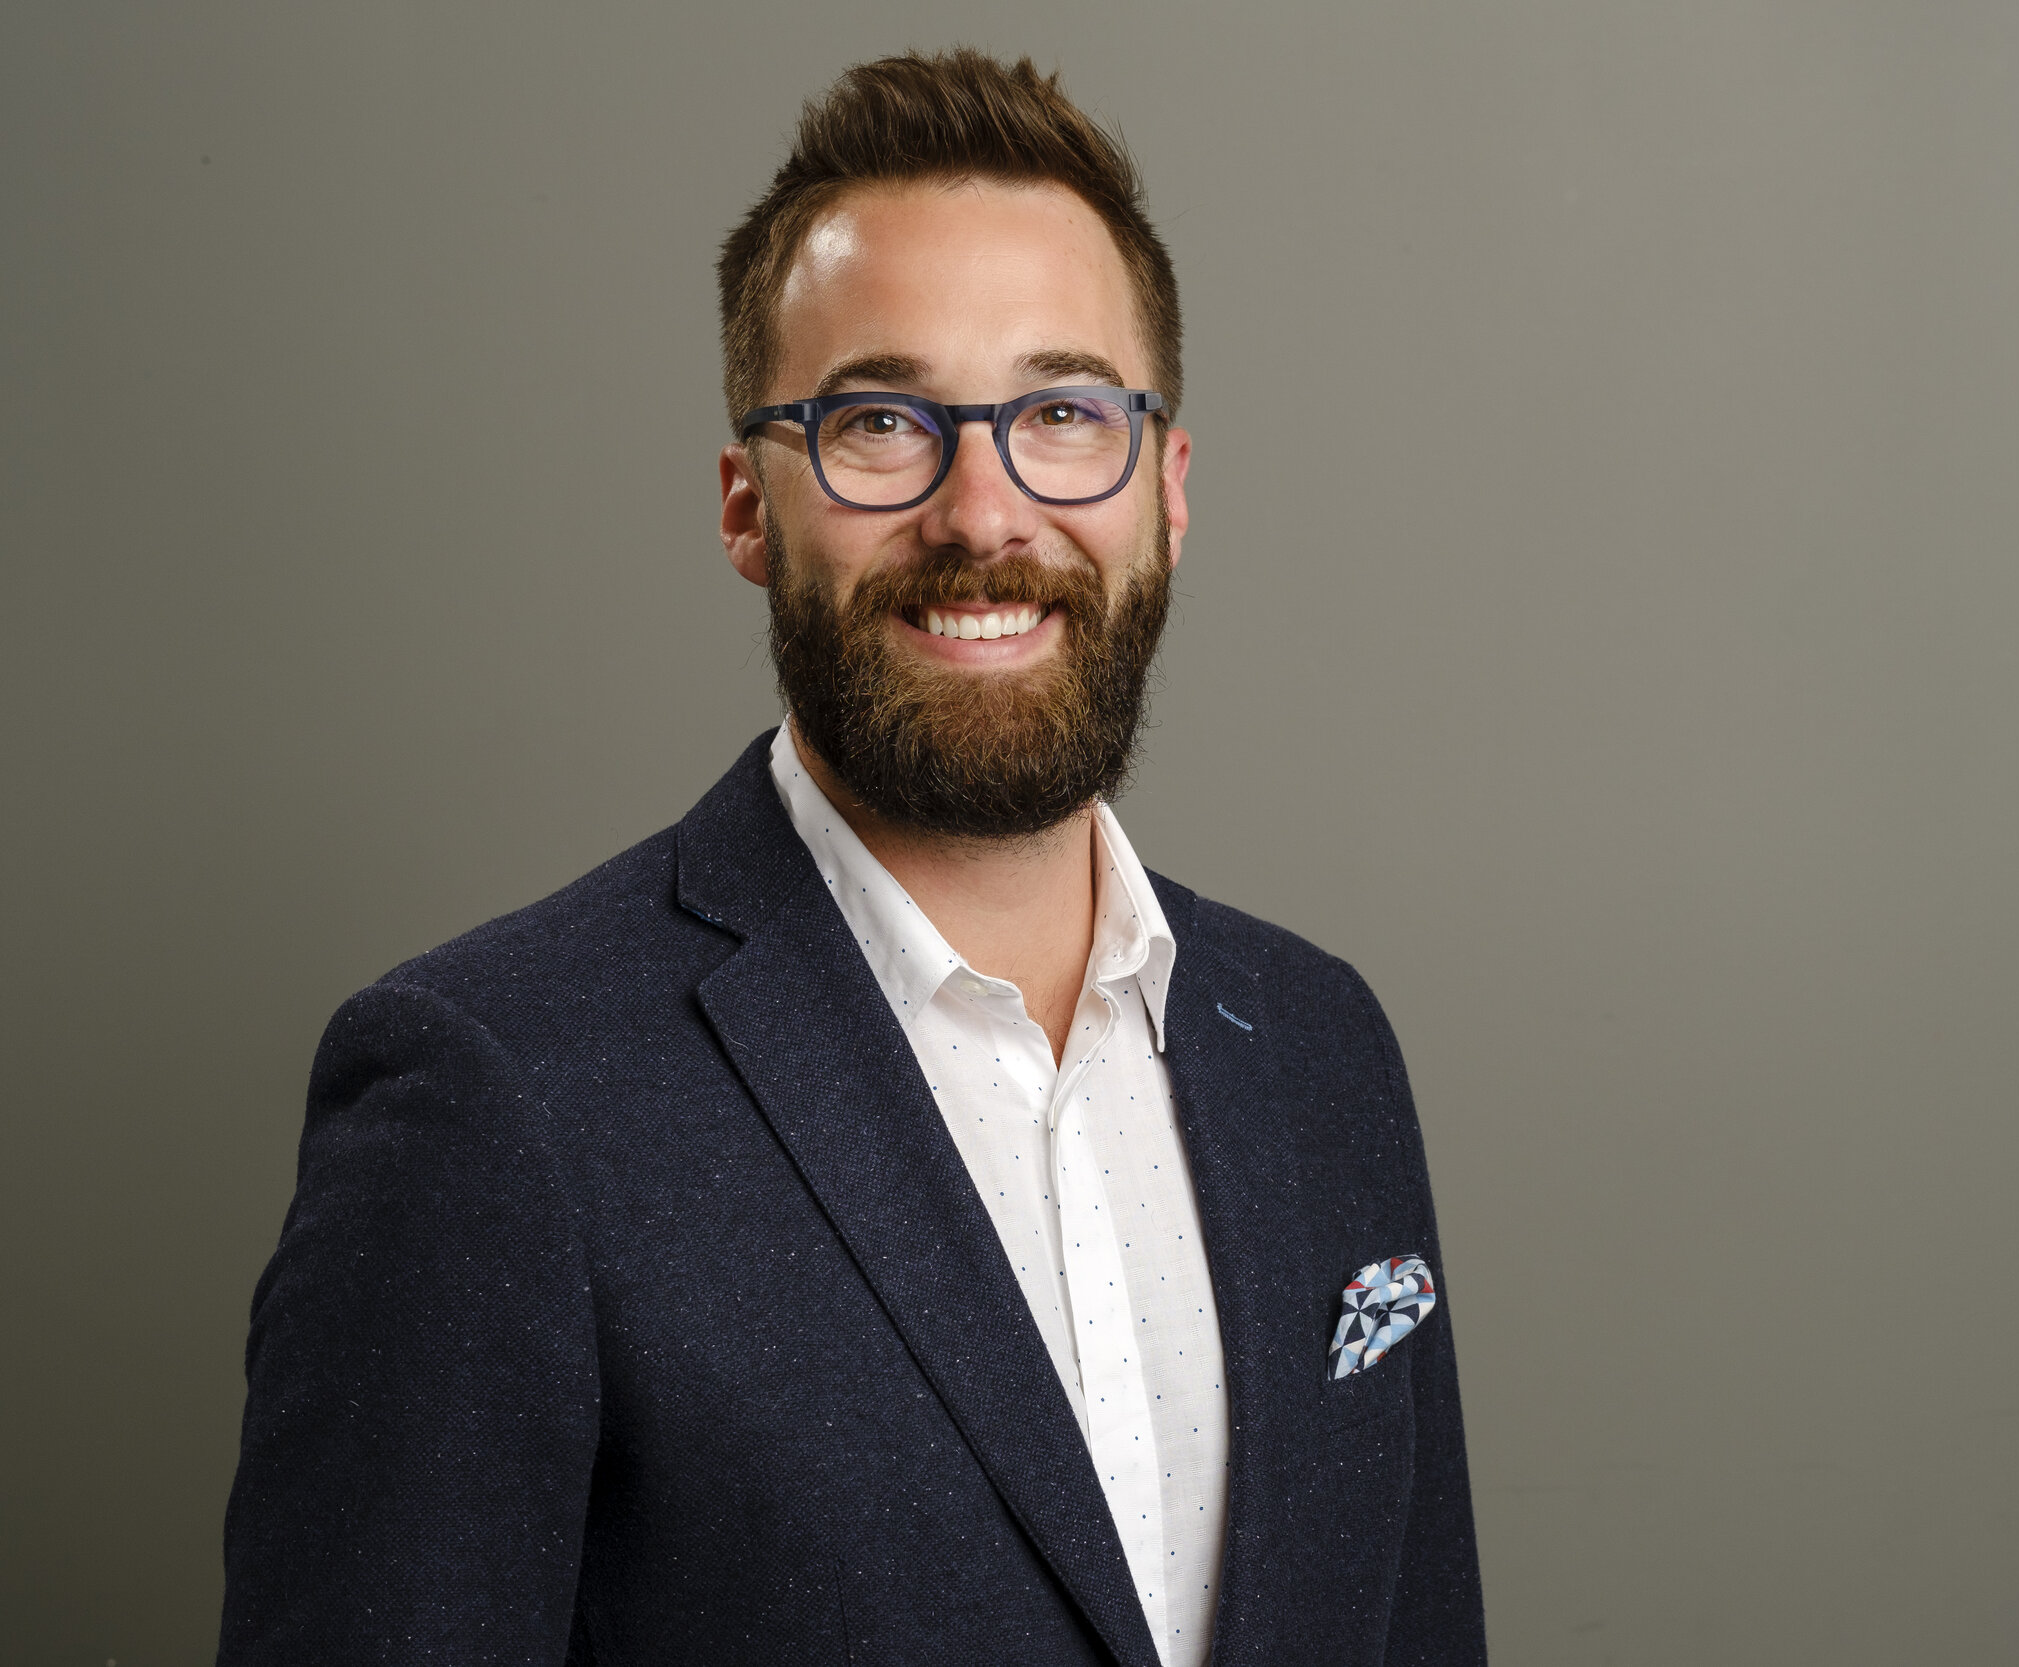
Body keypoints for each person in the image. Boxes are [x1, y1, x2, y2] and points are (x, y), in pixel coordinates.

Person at [218, 49, 1483, 1667]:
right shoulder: (494, 1101)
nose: (984, 511)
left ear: (1166, 491)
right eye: (882, 420)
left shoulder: (1325, 1055)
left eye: (1061, 413)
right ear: (751, 504)